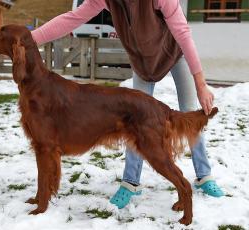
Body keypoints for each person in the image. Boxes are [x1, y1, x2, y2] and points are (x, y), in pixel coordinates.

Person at [31, 0, 224, 209]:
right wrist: (30, 38)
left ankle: (204, 176)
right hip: (142, 65)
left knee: (189, 110)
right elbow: (72, 19)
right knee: (135, 122)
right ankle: (131, 182)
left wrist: (201, 83)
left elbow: (183, 33)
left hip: (175, 55)